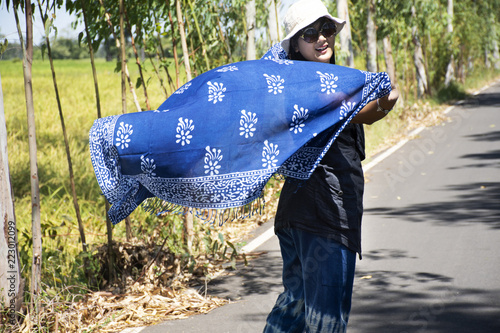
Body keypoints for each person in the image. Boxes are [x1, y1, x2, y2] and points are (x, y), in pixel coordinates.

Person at [263, 0, 399, 332]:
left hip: (298, 217)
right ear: (295, 44)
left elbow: (373, 107)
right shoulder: (313, 89)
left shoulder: (296, 83)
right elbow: (372, 106)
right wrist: (383, 94)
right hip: (324, 217)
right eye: (310, 34)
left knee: (293, 311)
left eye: (326, 29)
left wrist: (381, 98)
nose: (321, 38)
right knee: (325, 320)